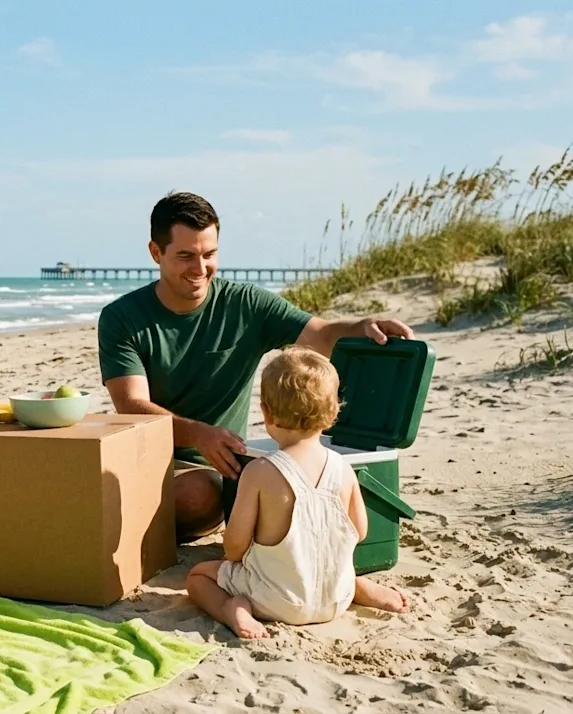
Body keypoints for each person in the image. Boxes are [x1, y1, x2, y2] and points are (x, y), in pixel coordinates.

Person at [98, 191, 415, 542]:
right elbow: (131, 406)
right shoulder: (121, 318)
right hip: (145, 459)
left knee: (203, 493)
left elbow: (320, 335)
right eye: (185, 256)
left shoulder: (246, 303)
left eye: (210, 254)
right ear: (156, 252)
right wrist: (200, 433)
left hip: (218, 469)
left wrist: (359, 327)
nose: (200, 269)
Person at [185, 346, 408, 638]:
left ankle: (231, 609)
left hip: (275, 602)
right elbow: (360, 532)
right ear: (333, 413)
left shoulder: (259, 472)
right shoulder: (344, 469)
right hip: (334, 600)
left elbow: (234, 547)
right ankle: (356, 588)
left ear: (266, 412)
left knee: (198, 576)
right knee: (332, 564)